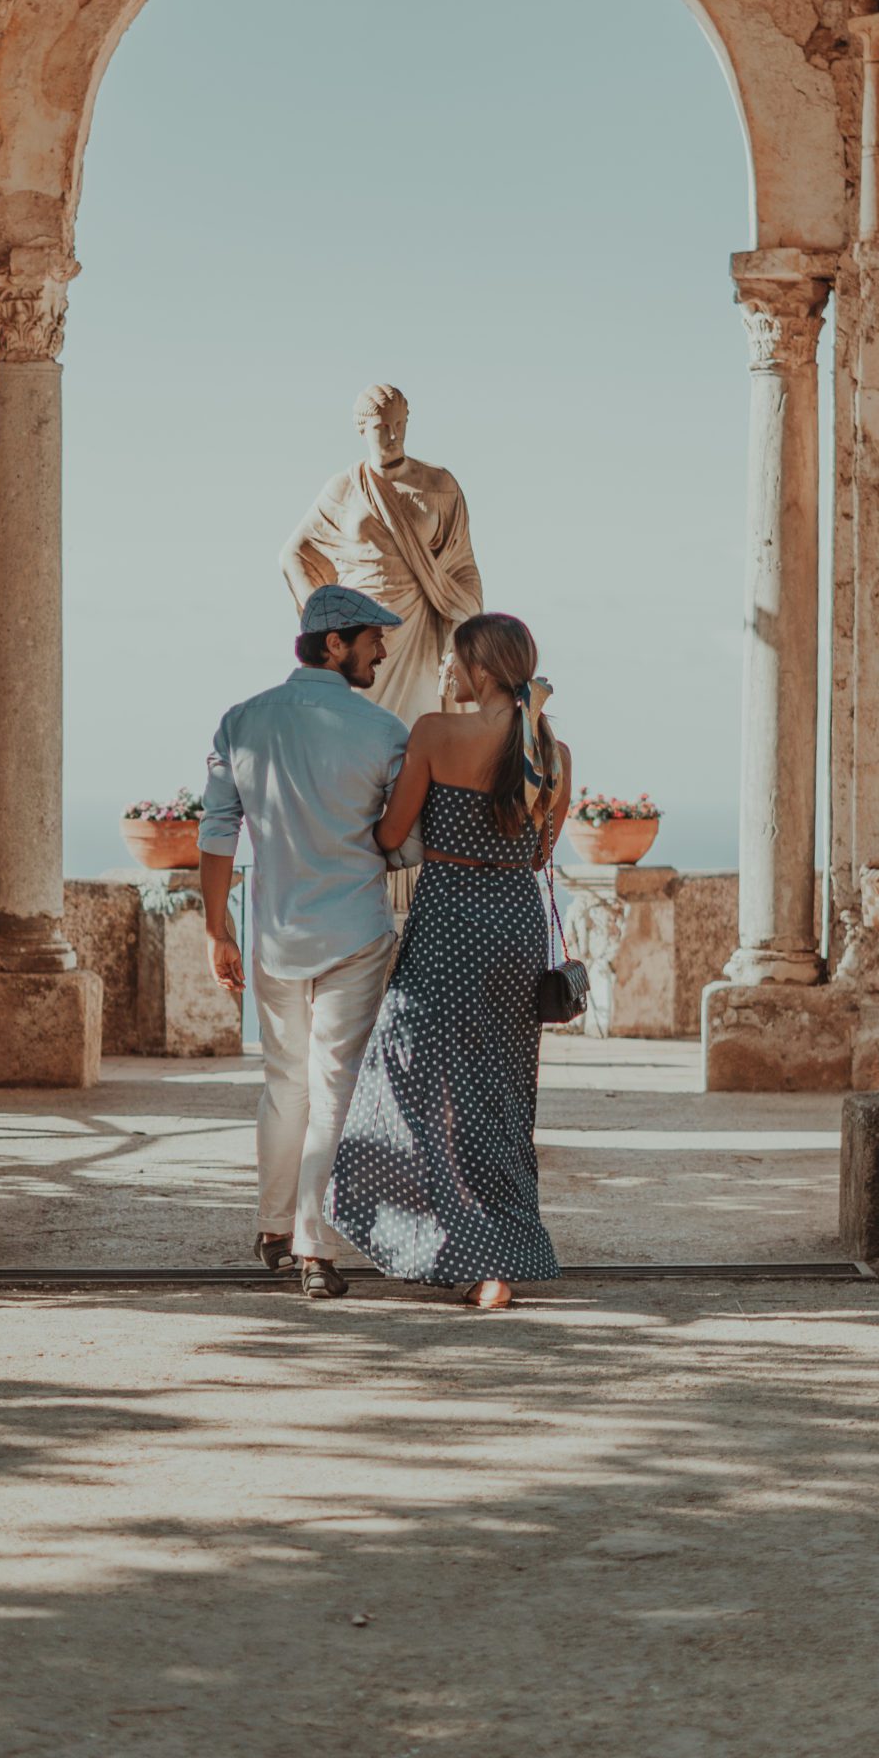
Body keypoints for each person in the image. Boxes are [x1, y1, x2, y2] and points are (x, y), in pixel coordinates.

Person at [326, 611, 570, 1309]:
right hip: (516, 929)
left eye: (456, 662)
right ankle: (504, 1255)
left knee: (413, 1083)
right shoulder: (554, 751)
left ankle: (456, 1245)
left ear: (482, 670)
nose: (448, 673)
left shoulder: (435, 732)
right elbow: (541, 850)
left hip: (449, 922)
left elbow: (390, 833)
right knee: (500, 1093)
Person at [199, 585, 415, 1301]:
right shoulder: (385, 732)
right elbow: (404, 843)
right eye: (372, 639)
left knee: (284, 1081)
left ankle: (271, 1224)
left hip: (272, 932)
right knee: (333, 1087)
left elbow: (218, 833)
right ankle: (313, 1248)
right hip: (354, 928)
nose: (382, 651)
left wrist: (214, 929)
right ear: (333, 643)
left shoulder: (241, 720)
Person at [279, 384, 483, 729]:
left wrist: (460, 631)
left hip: (422, 627)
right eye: (381, 427)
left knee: (418, 728)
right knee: (355, 727)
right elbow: (293, 554)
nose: (393, 435)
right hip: (363, 630)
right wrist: (324, 618)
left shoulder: (439, 484)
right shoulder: (343, 487)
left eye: (399, 424)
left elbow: (463, 567)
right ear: (362, 430)